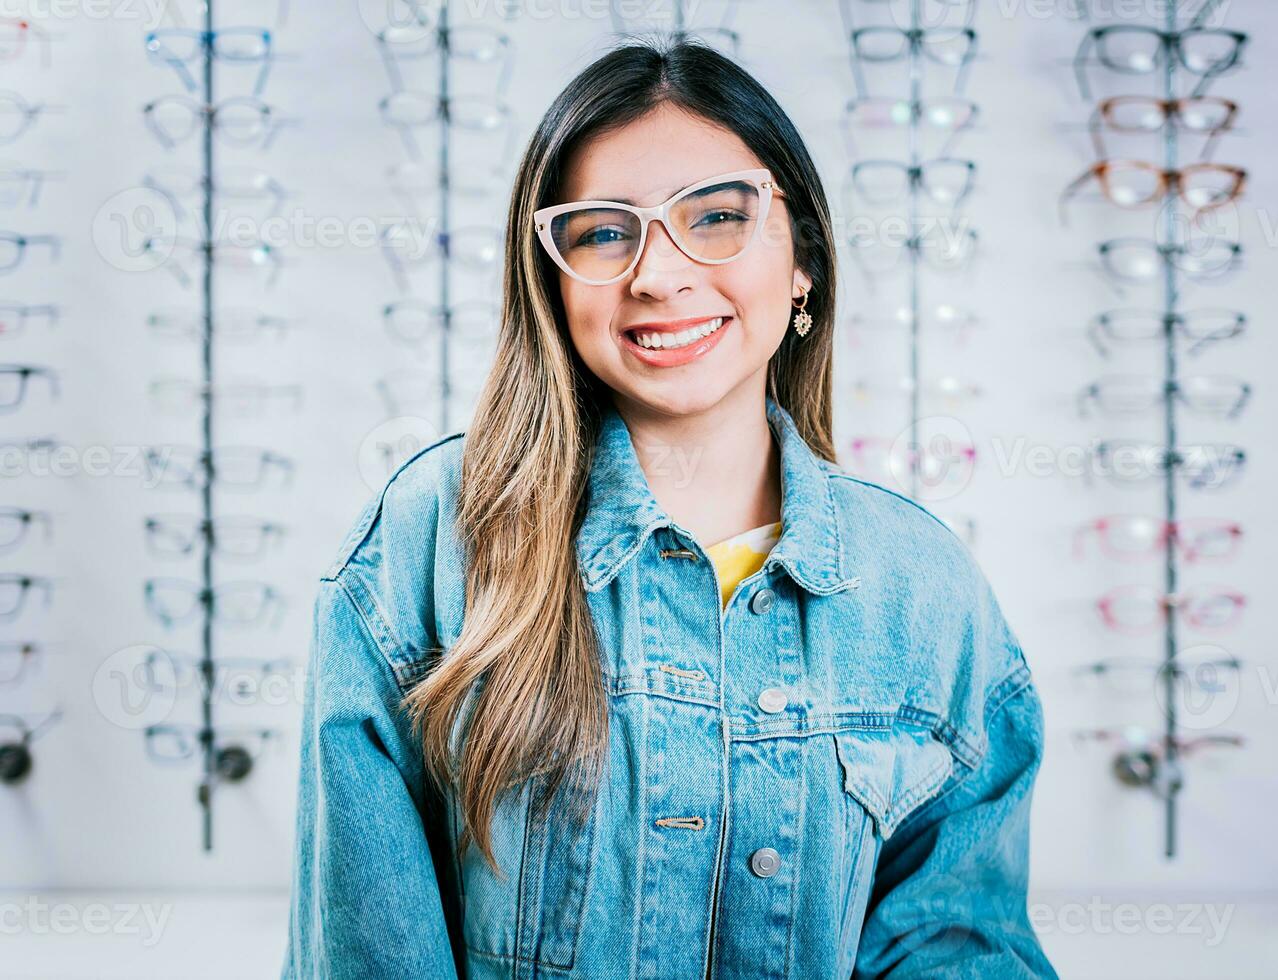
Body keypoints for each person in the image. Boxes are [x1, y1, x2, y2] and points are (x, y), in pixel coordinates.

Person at [283, 36, 1055, 980]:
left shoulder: (924, 590)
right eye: (605, 232)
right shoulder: (430, 542)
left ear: (801, 260)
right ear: (554, 282)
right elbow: (365, 950)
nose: (658, 273)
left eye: (718, 217)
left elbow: (956, 950)